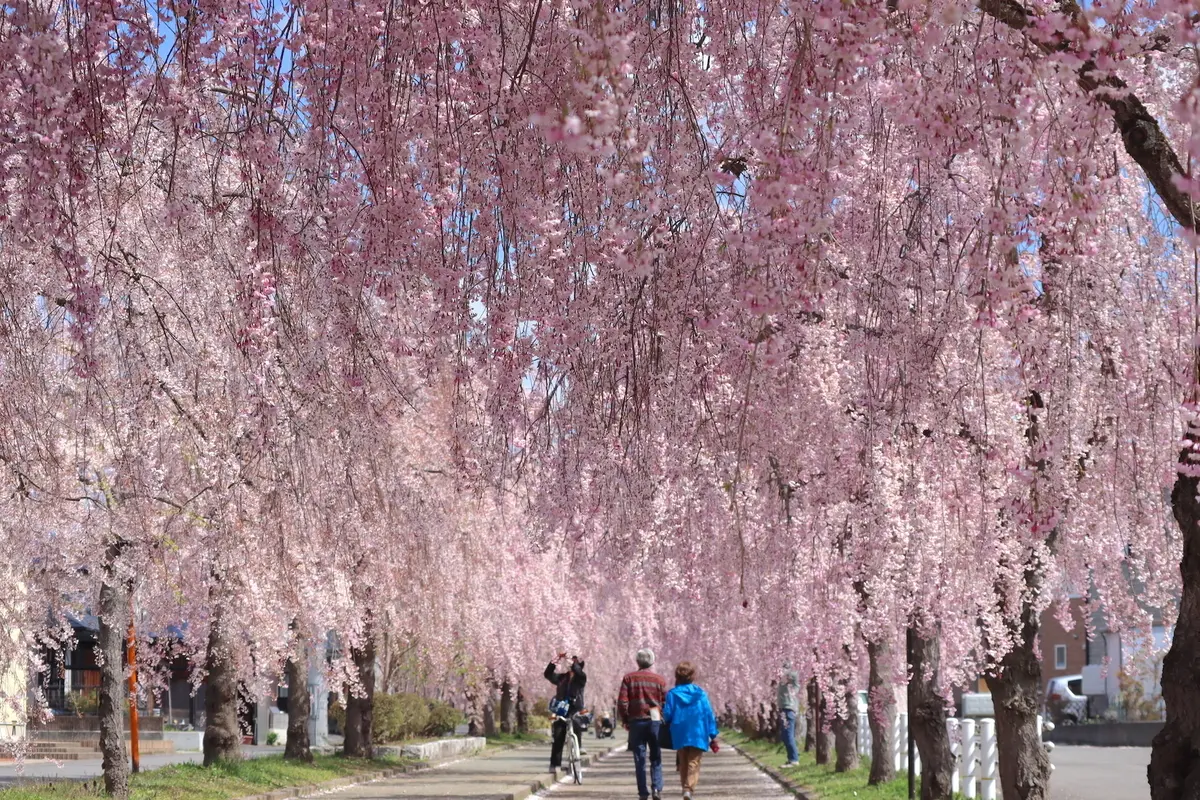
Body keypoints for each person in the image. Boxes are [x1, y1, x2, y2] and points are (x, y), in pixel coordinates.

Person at [662, 661, 719, 800]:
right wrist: (713, 735)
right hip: (698, 731)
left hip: (679, 731)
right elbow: (708, 714)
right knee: (694, 761)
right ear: (692, 676)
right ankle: (688, 789)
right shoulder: (701, 694)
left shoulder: (672, 694)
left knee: (683, 761)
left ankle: (685, 788)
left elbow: (667, 714)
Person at [618, 648, 667, 800]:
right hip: (654, 721)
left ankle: (643, 793)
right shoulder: (659, 680)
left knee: (639, 758)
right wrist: (662, 717)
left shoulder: (629, 678)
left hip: (636, 721)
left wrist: (626, 719)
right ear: (652, 662)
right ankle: (657, 789)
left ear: (637, 661)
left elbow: (622, 702)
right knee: (655, 756)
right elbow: (665, 702)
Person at [544, 652, 587, 772]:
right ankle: (555, 765)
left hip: (575, 709)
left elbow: (578, 671)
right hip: (562, 709)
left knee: (576, 725)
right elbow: (547, 674)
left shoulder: (581, 678)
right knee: (558, 735)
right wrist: (557, 659)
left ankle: (578, 751)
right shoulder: (562, 678)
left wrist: (574, 661)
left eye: (575, 662)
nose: (571, 665)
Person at [777, 663, 801, 767]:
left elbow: (793, 674)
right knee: (785, 735)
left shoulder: (793, 682)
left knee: (788, 735)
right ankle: (791, 758)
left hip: (789, 709)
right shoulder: (784, 682)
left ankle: (794, 760)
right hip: (784, 709)